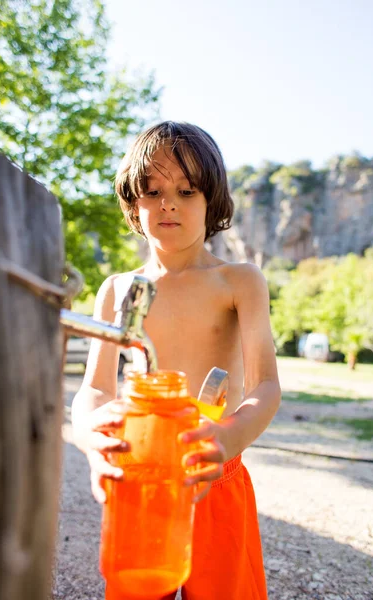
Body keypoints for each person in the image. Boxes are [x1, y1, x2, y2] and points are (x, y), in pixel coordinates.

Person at [71, 121, 281, 600]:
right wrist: (90, 441)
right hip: (140, 480)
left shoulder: (239, 282)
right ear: (132, 203)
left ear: (213, 203)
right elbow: (95, 389)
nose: (168, 203)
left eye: (186, 191)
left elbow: (265, 387)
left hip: (214, 475)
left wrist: (227, 439)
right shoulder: (118, 290)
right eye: (152, 191)